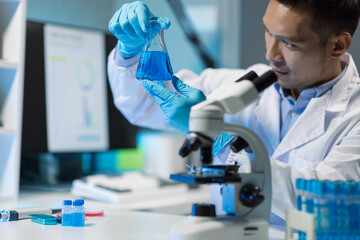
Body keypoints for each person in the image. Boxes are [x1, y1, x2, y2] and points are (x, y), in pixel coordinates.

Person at [107, 0, 360, 223]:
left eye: (289, 43)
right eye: (268, 32)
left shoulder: (355, 115)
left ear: (338, 45)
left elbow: (330, 203)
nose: (271, 54)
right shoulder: (243, 83)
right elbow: (140, 105)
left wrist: (219, 140)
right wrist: (129, 52)